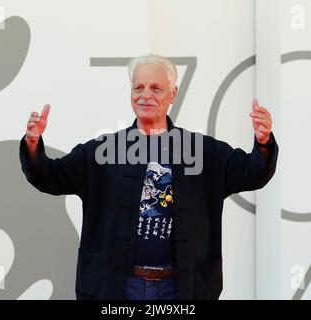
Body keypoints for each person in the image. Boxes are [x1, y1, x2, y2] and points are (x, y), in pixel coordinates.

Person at [19, 54, 278, 300]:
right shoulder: (103, 151)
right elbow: (50, 176)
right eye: (138, 87)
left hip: (181, 287)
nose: (145, 95)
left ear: (173, 94)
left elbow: (251, 172)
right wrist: (33, 143)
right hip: (117, 285)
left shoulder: (201, 152)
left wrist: (263, 141)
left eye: (156, 88)